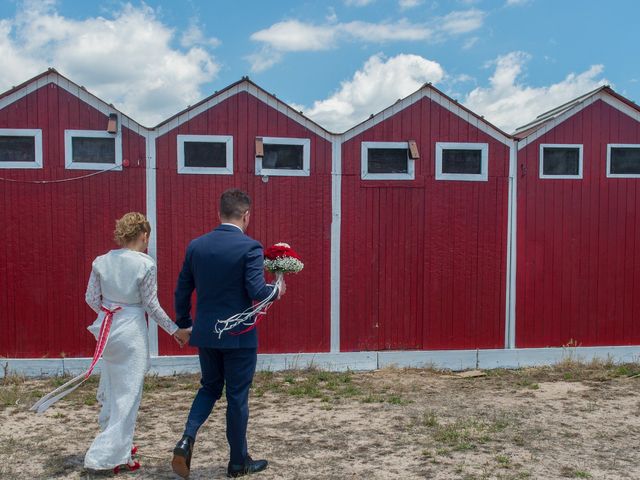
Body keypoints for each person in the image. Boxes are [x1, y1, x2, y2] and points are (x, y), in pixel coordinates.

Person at [171, 189, 285, 479]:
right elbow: (257, 292)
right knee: (236, 397)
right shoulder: (250, 247)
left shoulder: (196, 246)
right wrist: (277, 288)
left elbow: (182, 289)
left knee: (209, 388)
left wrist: (184, 323)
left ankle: (186, 439)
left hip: (206, 333)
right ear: (246, 216)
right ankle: (237, 462)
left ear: (218, 212)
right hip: (239, 335)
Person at [83, 212, 191, 472]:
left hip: (109, 330)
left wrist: (109, 309)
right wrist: (175, 330)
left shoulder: (101, 261)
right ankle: (104, 456)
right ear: (144, 235)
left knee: (113, 388)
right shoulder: (145, 264)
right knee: (128, 396)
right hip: (131, 331)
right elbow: (151, 306)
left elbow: (90, 298)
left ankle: (121, 448)